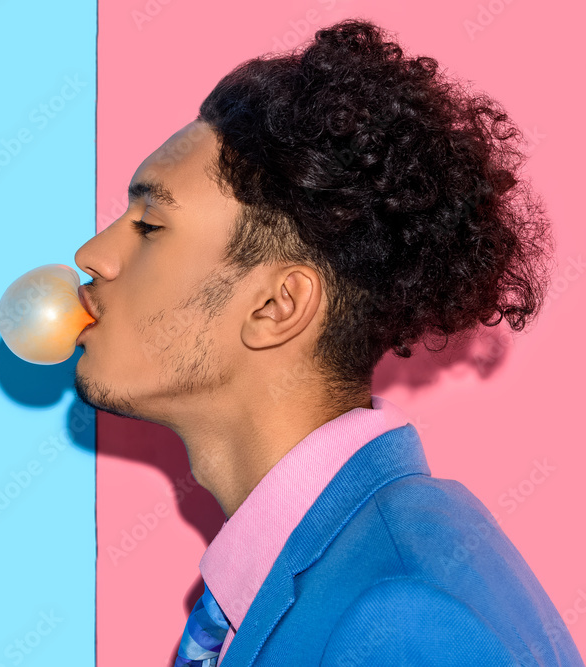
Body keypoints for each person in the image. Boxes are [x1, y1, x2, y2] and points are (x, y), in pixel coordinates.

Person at [71, 18, 583, 666]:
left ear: (277, 305)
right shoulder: (345, 562)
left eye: (148, 225)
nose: (94, 255)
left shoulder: (399, 620)